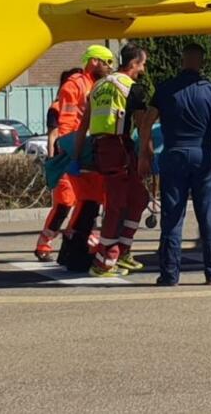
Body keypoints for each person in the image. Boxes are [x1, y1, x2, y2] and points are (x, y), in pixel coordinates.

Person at [139, 43, 211, 286]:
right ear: (201, 62)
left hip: (174, 154)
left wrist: (145, 153)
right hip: (204, 155)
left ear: (182, 60)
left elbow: (147, 122)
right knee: (208, 216)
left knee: (172, 217)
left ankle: (169, 274)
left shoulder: (165, 89)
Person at [76, 43, 150, 277]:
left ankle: (122, 250)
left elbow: (83, 125)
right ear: (134, 64)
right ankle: (103, 262)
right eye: (142, 64)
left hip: (103, 149)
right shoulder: (131, 88)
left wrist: (76, 156)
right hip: (119, 149)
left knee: (139, 197)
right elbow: (143, 125)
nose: (143, 69)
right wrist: (147, 154)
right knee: (117, 205)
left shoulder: (98, 86)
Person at [33, 50, 109, 262]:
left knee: (89, 200)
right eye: (107, 62)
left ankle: (76, 241)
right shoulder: (59, 104)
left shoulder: (95, 88)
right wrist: (55, 160)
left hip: (83, 151)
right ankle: (45, 243)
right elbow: (56, 134)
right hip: (68, 154)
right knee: (65, 202)